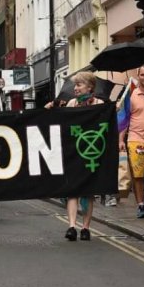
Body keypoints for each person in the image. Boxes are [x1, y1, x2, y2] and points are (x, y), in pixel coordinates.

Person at [46, 71, 103, 241]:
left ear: (89, 87)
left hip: (91, 153)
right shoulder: (71, 103)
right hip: (74, 152)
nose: (75, 88)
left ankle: (85, 228)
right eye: (75, 85)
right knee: (73, 191)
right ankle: (72, 226)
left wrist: (113, 111)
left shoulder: (99, 104)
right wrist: (50, 109)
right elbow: (61, 123)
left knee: (88, 193)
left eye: (79, 85)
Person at [119, 64, 144, 217]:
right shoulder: (131, 95)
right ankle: (141, 205)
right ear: (138, 76)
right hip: (136, 140)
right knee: (138, 175)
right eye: (142, 75)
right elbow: (124, 119)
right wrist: (120, 140)